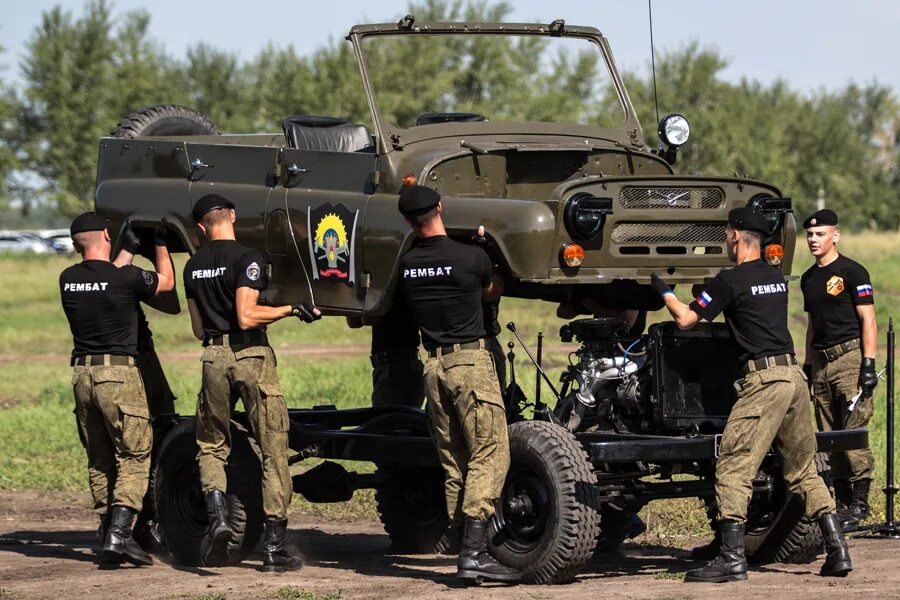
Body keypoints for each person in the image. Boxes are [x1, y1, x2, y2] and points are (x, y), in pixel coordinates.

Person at [650, 207, 851, 583]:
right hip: (793, 377)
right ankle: (838, 548)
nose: (726, 240)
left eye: (727, 234)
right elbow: (745, 305)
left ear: (738, 237)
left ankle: (731, 558)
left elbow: (686, 319)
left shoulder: (731, 279)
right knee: (802, 468)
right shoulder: (775, 278)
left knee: (732, 465)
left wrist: (662, 290)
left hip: (765, 382)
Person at [183, 194, 321, 571]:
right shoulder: (248, 258)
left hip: (213, 356)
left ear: (200, 227)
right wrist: (291, 309)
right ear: (232, 215)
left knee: (211, 445)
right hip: (250, 356)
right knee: (273, 447)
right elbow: (246, 316)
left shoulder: (193, 267)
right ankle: (274, 549)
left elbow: (198, 329)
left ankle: (219, 519)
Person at [397, 185, 519, 583]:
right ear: (440, 208)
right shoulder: (470, 257)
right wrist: (489, 253)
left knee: (455, 461)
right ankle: (474, 553)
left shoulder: (408, 263)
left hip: (433, 367)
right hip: (470, 362)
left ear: (408, 221)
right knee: (491, 451)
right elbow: (492, 290)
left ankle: (459, 536)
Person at [60, 212, 175, 567]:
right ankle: (120, 536)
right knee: (134, 455)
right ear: (105, 237)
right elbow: (166, 284)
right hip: (118, 377)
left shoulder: (68, 278)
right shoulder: (123, 278)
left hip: (82, 377)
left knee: (100, 457)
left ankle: (107, 529)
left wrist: (126, 250)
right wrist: (159, 246)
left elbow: (109, 276)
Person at [800, 209, 878, 531]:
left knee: (852, 432)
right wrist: (806, 365)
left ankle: (860, 504)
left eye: (820, 234)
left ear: (836, 235)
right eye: (810, 235)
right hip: (820, 361)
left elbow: (868, 320)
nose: (813, 240)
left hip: (849, 358)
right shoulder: (808, 278)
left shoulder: (852, 271)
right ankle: (843, 502)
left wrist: (868, 364)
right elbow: (811, 325)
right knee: (829, 436)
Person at [114, 221, 180, 550]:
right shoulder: (118, 279)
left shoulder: (88, 278)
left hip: (135, 360)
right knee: (143, 441)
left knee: (149, 435)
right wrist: (160, 248)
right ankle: (137, 523)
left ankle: (127, 525)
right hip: (133, 363)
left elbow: (171, 303)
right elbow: (169, 293)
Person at [368, 293, 425, 408]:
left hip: (393, 367)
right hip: (405, 363)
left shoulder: (384, 288)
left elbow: (364, 319)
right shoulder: (408, 282)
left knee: (388, 422)